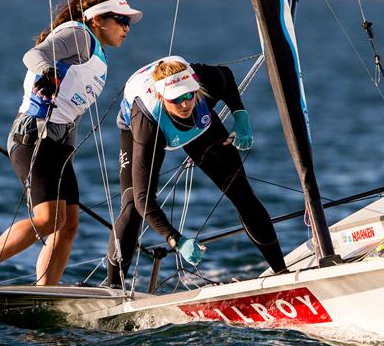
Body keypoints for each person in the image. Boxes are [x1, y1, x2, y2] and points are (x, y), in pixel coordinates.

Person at [0, 0, 142, 287]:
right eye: (121, 20)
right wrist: (46, 71)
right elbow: (34, 55)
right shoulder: (79, 34)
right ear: (97, 19)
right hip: (35, 136)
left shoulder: (95, 51)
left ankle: (45, 291)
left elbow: (72, 107)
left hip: (57, 146)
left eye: (129, 23)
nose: (126, 28)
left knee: (68, 225)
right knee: (47, 220)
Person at [105, 56, 287, 287]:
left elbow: (226, 74)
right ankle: (113, 288)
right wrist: (177, 241)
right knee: (132, 206)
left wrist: (240, 113)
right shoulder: (146, 124)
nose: (185, 104)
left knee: (240, 190)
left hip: (198, 127)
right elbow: (144, 200)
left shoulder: (204, 83)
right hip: (142, 129)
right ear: (162, 97)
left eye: (189, 94)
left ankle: (282, 272)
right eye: (177, 99)